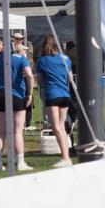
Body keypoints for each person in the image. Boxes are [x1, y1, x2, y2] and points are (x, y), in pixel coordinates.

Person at [0, 38, 35, 171]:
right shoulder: (21, 59)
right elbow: (30, 76)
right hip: (17, 95)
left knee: (1, 132)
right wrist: (30, 94)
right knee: (17, 132)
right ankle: (20, 162)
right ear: (13, 47)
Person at [35, 36, 75, 168]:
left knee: (56, 127)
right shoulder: (66, 59)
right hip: (65, 95)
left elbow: (39, 81)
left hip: (52, 95)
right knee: (62, 127)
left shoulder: (43, 61)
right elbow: (70, 78)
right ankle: (66, 156)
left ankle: (65, 157)